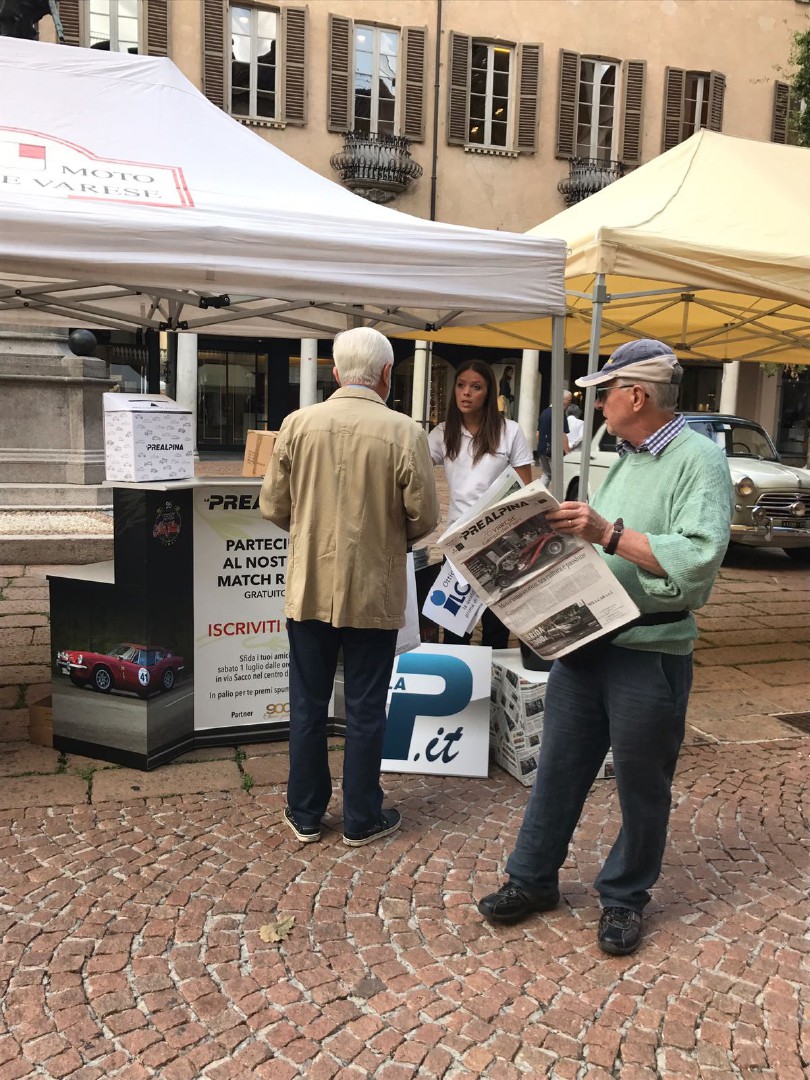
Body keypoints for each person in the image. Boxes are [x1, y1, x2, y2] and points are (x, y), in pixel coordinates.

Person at [478, 339, 733, 955]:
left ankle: (623, 897)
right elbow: (605, 545)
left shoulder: (699, 461)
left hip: (650, 649)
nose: (597, 407)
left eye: (606, 395)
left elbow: (697, 562)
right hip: (589, 641)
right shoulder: (629, 455)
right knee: (558, 769)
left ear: (636, 395)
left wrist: (607, 531)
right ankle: (532, 879)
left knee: (642, 786)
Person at [260, 327, 439, 847]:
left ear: (334, 372)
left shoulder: (297, 424)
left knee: (307, 703)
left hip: (310, 584)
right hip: (373, 588)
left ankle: (306, 812)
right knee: (365, 705)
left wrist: (311, 525)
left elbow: (273, 506)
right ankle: (362, 816)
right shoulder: (405, 431)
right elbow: (423, 516)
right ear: (387, 375)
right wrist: (386, 536)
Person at [428, 359, 533, 648]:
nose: (466, 393)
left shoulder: (509, 431)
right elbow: (414, 469)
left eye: (476, 387)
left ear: (488, 392)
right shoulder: (441, 433)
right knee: (455, 623)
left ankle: (492, 683)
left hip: (503, 540)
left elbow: (524, 488)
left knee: (496, 623)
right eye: (461, 386)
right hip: (458, 540)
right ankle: (456, 684)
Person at [536, 390, 571, 483]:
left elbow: (538, 434)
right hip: (553, 452)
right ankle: (558, 497)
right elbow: (563, 435)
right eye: (569, 401)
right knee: (558, 478)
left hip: (542, 450)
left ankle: (539, 495)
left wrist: (542, 446)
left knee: (546, 474)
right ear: (562, 400)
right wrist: (567, 453)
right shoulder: (559, 414)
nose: (569, 404)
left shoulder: (544, 413)